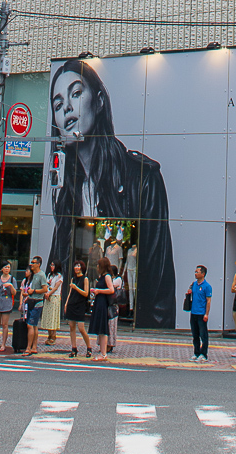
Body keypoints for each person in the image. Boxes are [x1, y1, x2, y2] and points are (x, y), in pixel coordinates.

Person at [48, 60, 175, 327]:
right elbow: (58, 264)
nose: (67, 108)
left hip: (123, 312)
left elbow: (159, 291)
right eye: (58, 105)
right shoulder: (65, 193)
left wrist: (148, 338)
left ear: (99, 101)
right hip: (79, 309)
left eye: (75, 93)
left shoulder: (143, 179)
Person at [64, 259, 92, 358]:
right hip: (71, 303)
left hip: (80, 305)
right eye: (75, 266)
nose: (77, 268)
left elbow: (86, 293)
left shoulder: (85, 279)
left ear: (82, 268)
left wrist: (76, 288)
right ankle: (74, 348)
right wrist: (66, 303)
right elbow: (70, 293)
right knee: (71, 326)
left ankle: (89, 347)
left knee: (81, 328)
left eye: (79, 266)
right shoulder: (73, 279)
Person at [91, 256, 115, 360]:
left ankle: (104, 353)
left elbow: (111, 290)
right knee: (100, 328)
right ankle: (102, 352)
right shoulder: (102, 276)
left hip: (103, 303)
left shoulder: (107, 276)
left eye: (99, 265)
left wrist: (99, 291)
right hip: (99, 302)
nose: (97, 267)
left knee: (103, 328)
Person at [188, 264, 213, 362]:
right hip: (193, 312)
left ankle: (204, 354)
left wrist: (206, 314)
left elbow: (208, 301)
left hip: (201, 313)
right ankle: (196, 352)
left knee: (203, 335)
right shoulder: (194, 284)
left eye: (197, 272)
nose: (195, 273)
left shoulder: (207, 286)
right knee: (195, 335)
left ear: (203, 274)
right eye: (195, 272)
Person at [0, 260, 16, 352]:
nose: (7, 269)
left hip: (7, 304)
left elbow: (14, 293)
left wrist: (11, 286)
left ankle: (3, 344)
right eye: (5, 267)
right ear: (2, 269)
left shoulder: (12, 279)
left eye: (8, 267)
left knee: (5, 324)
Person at [24, 255, 48, 356]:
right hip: (31, 300)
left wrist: (33, 291)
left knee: (30, 325)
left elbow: (45, 289)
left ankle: (28, 347)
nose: (32, 264)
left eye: (33, 263)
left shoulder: (41, 275)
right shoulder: (33, 275)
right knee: (33, 326)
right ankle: (33, 347)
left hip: (38, 302)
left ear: (38, 264)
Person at [42, 260, 63, 346]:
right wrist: (46, 293)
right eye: (51, 265)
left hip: (54, 297)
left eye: (53, 265)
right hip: (48, 297)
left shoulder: (59, 276)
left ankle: (53, 336)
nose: (51, 266)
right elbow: (46, 285)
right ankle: (49, 335)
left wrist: (49, 293)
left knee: (53, 317)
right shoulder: (49, 275)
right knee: (48, 317)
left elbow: (56, 287)